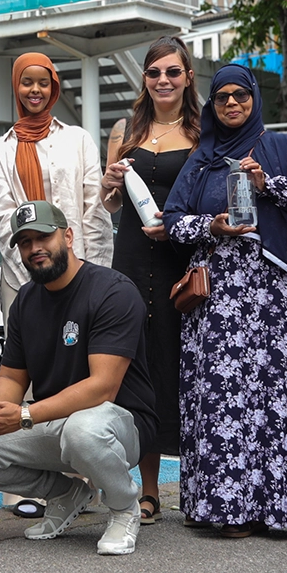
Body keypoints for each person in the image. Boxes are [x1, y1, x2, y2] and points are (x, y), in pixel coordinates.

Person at [162, 65, 287, 545]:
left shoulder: (282, 148)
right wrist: (212, 227)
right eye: (222, 97)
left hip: (276, 292)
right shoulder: (201, 159)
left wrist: (266, 185)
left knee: (284, 397)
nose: (232, 104)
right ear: (212, 105)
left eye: (241, 95)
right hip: (219, 296)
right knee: (225, 400)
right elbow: (173, 221)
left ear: (254, 99)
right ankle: (228, 507)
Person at [0, 201, 157, 556]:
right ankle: (65, 493)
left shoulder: (112, 291)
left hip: (119, 424)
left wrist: (25, 415)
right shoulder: (27, 298)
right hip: (55, 420)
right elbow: (13, 375)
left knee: (83, 430)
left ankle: (124, 508)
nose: (35, 248)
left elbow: (103, 386)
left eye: (43, 236)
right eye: (25, 242)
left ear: (68, 236)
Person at [99, 37, 199, 525]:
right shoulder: (126, 129)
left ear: (187, 77)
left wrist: (183, 223)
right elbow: (112, 206)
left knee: (185, 369)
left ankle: (203, 487)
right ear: (144, 78)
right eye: (155, 72)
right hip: (133, 259)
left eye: (173, 72)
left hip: (182, 258)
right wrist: (108, 186)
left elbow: (211, 195)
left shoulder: (204, 131)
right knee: (137, 370)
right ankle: (149, 489)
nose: (163, 80)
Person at [0, 53, 113, 312]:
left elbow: (95, 209)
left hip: (77, 270)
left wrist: (92, 273)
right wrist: (34, 276)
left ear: (53, 87)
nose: (35, 90)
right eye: (27, 82)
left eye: (43, 83)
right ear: (16, 85)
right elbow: (6, 217)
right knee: (27, 350)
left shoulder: (77, 138)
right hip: (23, 275)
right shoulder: (1, 148)